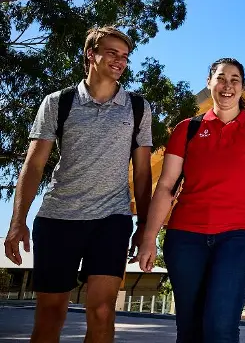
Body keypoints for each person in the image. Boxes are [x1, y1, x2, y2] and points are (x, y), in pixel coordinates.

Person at [3, 26, 153, 343]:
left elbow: (142, 173)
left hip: (111, 219)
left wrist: (144, 226)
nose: (119, 61)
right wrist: (18, 221)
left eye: (124, 56)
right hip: (59, 218)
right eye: (112, 52)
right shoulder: (58, 103)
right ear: (91, 54)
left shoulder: (138, 107)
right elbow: (34, 165)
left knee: (101, 313)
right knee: (50, 314)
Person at [136, 58, 245, 342]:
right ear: (209, 83)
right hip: (185, 237)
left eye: (235, 79)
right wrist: (148, 236)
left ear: (242, 87)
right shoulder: (186, 129)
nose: (228, 86)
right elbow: (166, 186)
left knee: (219, 327)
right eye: (221, 78)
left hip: (238, 238)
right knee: (189, 329)